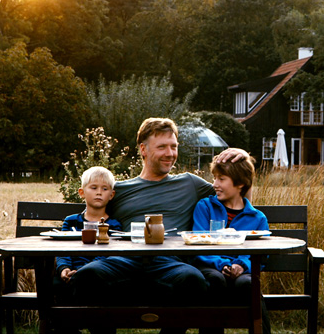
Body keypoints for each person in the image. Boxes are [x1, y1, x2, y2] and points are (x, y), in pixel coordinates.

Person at [70, 118, 249, 333]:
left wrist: (243, 158)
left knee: (194, 280)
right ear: (143, 149)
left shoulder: (190, 184)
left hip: (169, 264)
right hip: (124, 261)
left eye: (173, 146)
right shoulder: (120, 190)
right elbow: (88, 213)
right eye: (162, 147)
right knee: (86, 277)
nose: (170, 153)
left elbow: (238, 195)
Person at [190, 153, 271, 334]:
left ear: (240, 183)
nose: (215, 184)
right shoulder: (205, 207)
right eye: (215, 178)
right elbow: (199, 243)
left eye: (222, 179)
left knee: (250, 285)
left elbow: (261, 255)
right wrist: (223, 264)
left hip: (242, 272)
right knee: (215, 279)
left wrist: (242, 265)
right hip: (210, 266)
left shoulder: (257, 218)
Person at [54, 166, 121, 303]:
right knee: (56, 284)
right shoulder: (71, 221)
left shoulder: (113, 225)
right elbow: (63, 249)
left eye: (104, 189)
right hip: (69, 272)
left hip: (96, 274)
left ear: (111, 195)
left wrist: (82, 271)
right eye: (94, 188)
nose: (99, 193)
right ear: (82, 192)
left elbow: (108, 254)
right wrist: (64, 268)